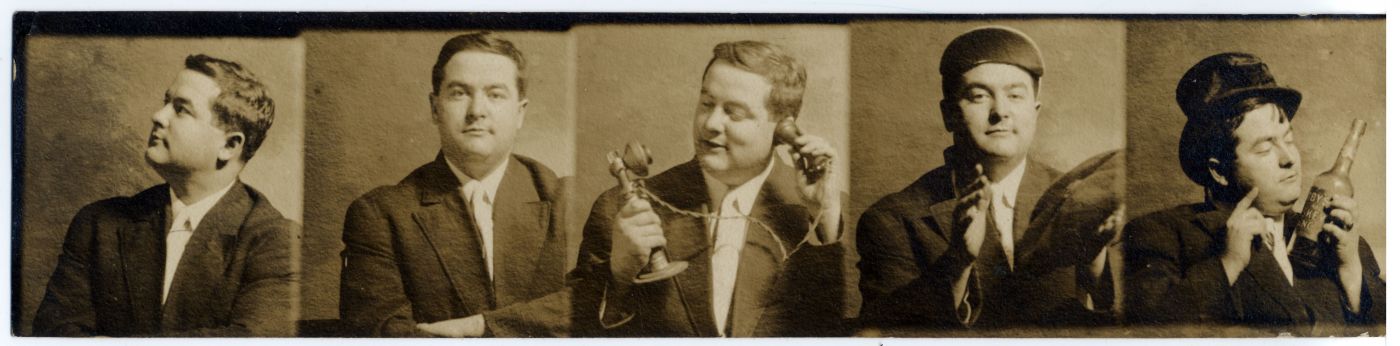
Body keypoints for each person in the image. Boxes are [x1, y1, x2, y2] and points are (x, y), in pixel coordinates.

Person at [570, 40, 845, 337]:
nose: (711, 123)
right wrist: (619, 276)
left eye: (734, 113)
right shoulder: (619, 210)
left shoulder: (831, 213)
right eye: (706, 104)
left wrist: (825, 220)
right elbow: (571, 331)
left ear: (783, 128)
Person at [856, 26, 1118, 332]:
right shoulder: (892, 220)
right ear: (949, 115)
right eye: (979, 96)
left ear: (1035, 112)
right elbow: (883, 333)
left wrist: (1094, 257)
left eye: (1015, 95)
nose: (1001, 112)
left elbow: (1132, 325)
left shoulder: (1082, 199)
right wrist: (958, 261)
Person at [1123, 52, 1384, 336]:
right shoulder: (1160, 235)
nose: (1289, 159)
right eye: (1264, 148)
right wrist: (1229, 263)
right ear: (1219, 171)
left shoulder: (1344, 243)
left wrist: (1351, 271)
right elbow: (1146, 333)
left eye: (1289, 140)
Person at [33, 54, 296, 337]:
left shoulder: (275, 241)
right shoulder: (99, 224)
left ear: (229, 146)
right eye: (166, 102)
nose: (158, 116)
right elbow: (54, 333)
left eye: (181, 109)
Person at [338, 32, 573, 337]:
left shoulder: (565, 200)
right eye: (459, 93)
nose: (477, 111)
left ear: (520, 112)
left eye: (495, 94)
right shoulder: (380, 215)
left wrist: (480, 327)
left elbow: (589, 306)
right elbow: (380, 331)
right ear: (435, 108)